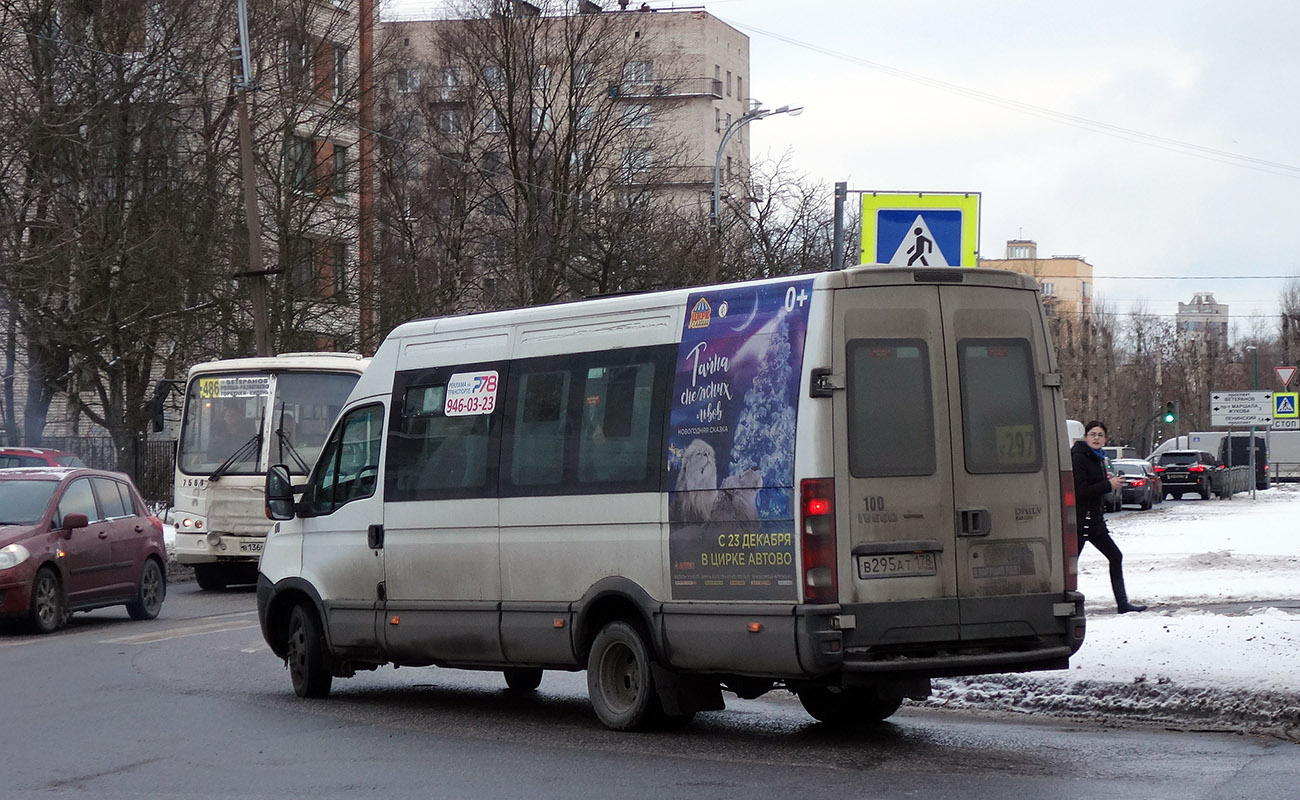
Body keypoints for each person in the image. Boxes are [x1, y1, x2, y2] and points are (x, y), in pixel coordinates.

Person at [1071, 420, 1147, 613]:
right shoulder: (1079, 457)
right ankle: (1066, 604)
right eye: (1092, 434)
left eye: (1100, 435)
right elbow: (1079, 491)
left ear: (1105, 439)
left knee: (1115, 556)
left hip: (1094, 521)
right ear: (1086, 437)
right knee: (1070, 566)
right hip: (1081, 522)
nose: (1096, 438)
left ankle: (1122, 604)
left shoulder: (1098, 457)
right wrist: (1108, 485)